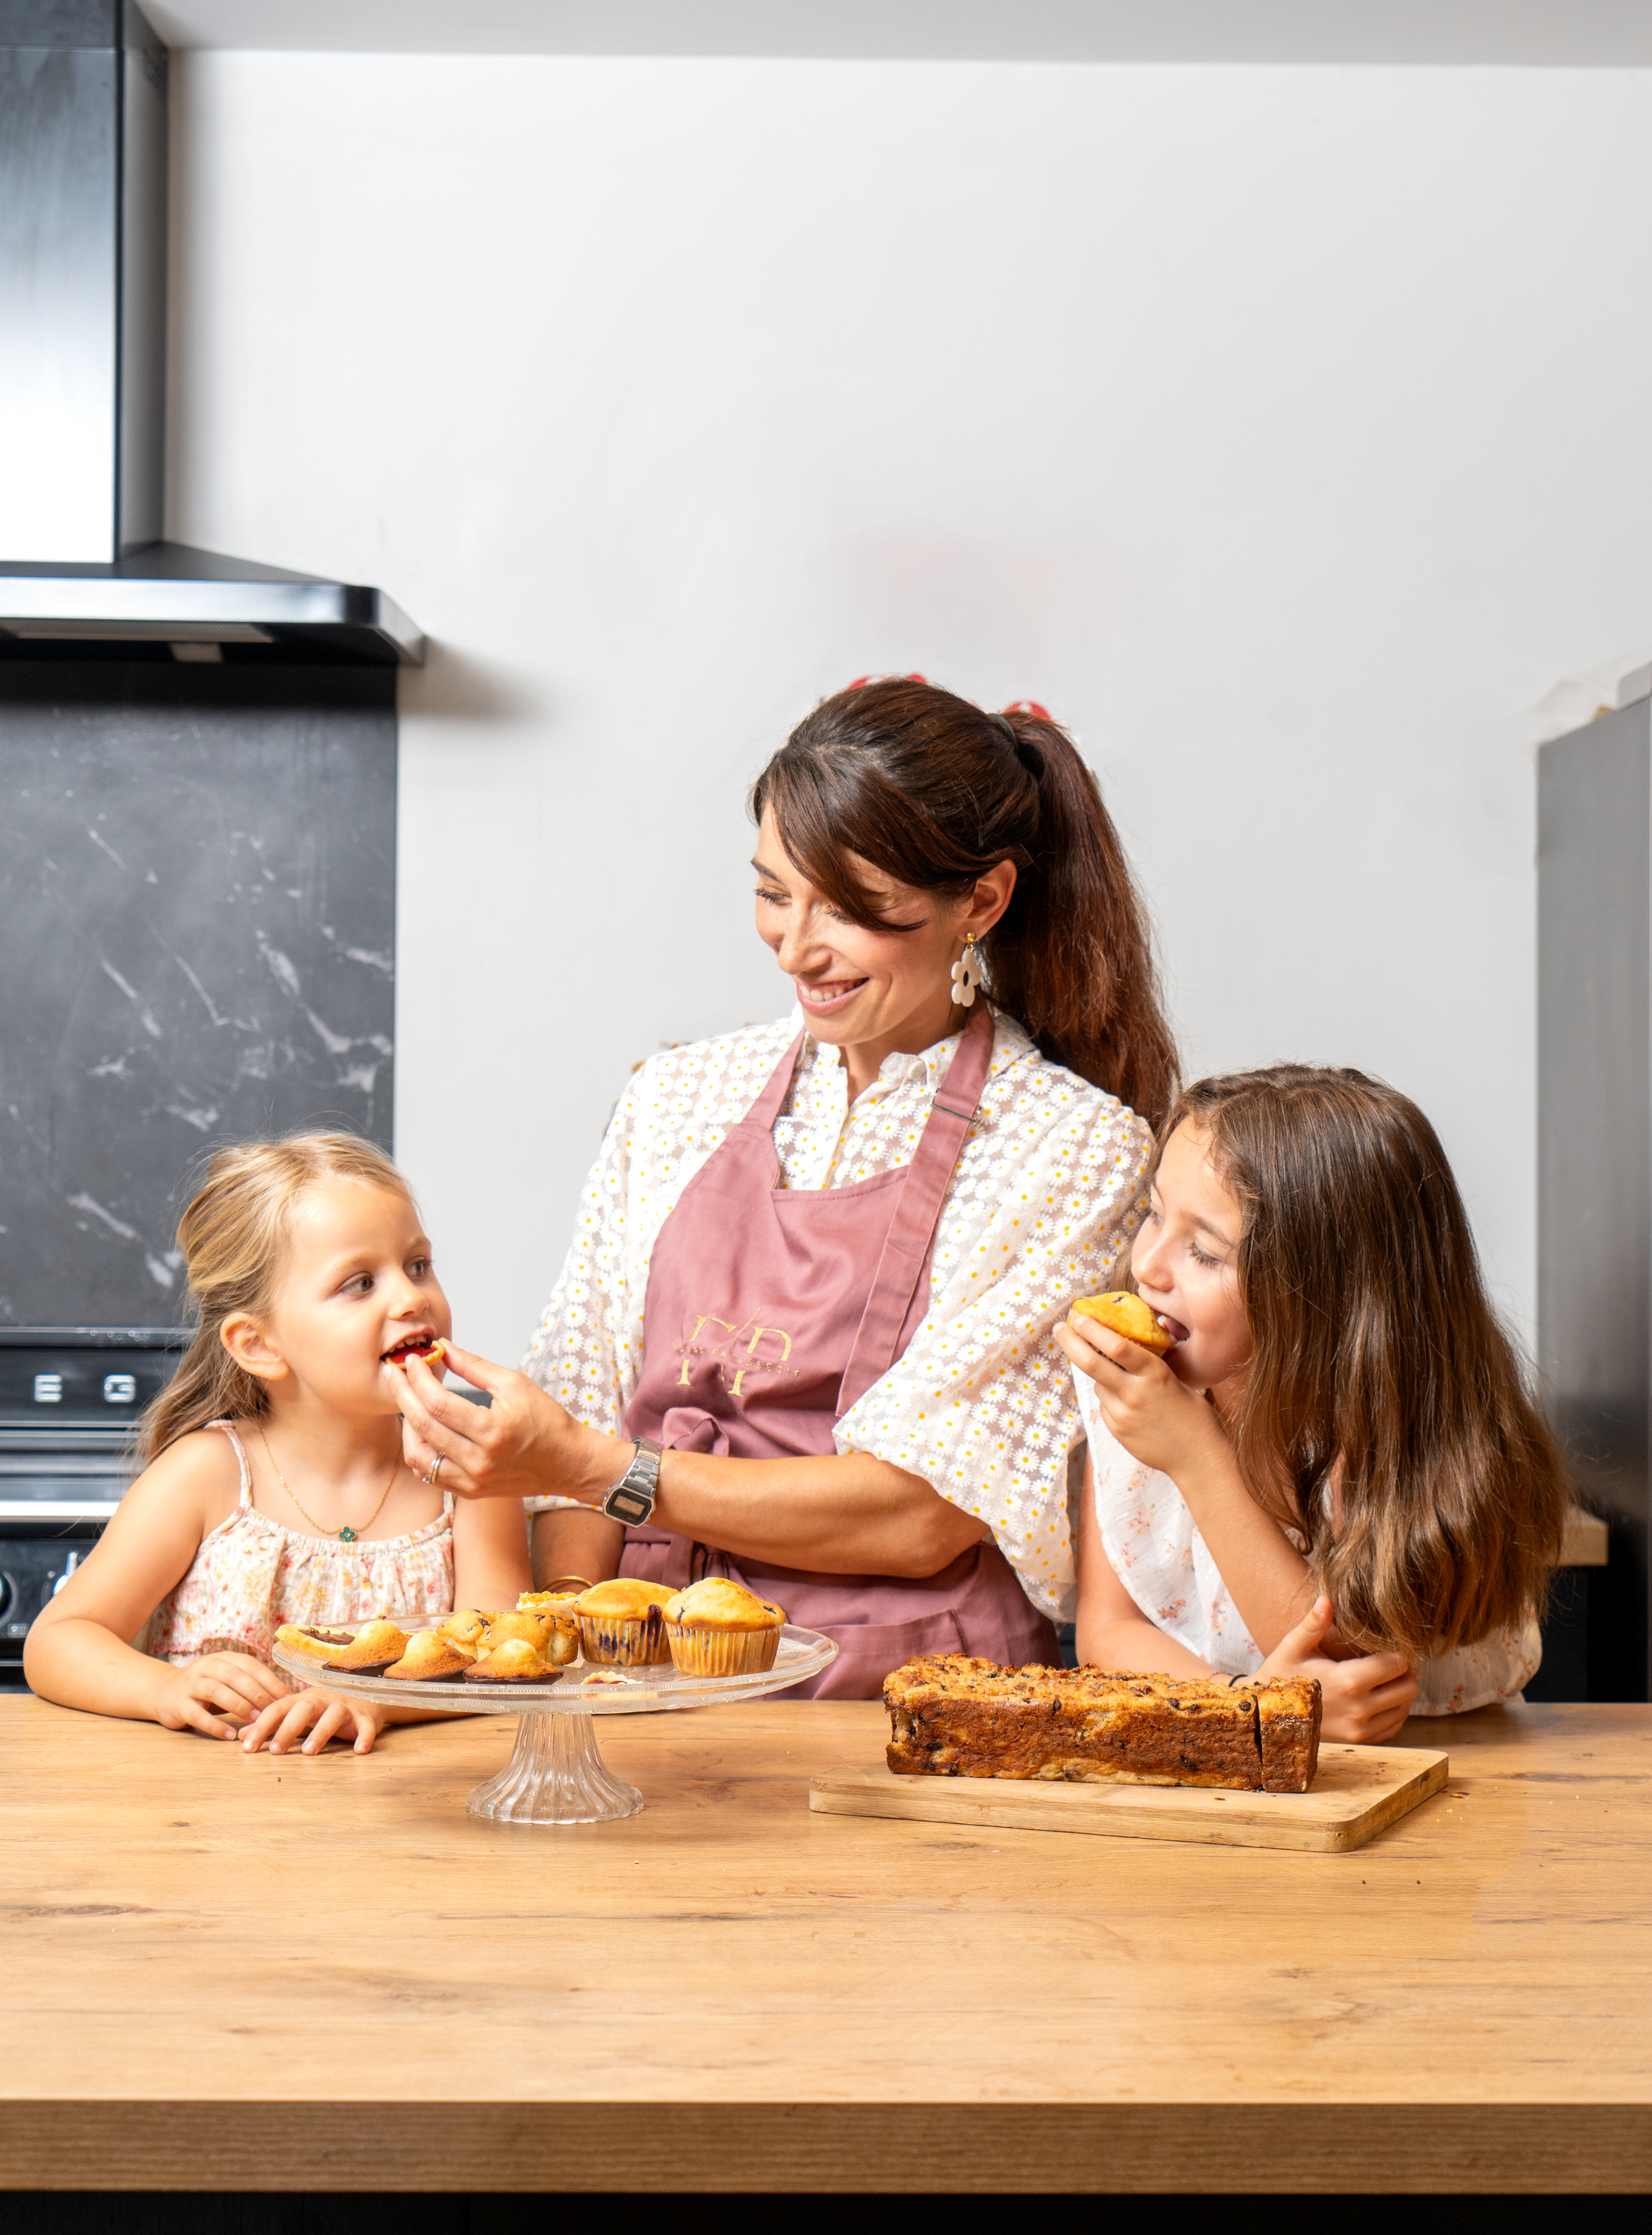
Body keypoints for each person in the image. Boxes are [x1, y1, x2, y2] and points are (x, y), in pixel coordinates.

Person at [385, 678, 1180, 1694]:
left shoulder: (1070, 1149)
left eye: (854, 910)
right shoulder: (676, 1096)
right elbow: (585, 1406)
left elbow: (916, 1513)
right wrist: (575, 1668)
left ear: (981, 901)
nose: (796, 948)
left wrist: (593, 1466)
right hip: (648, 1682)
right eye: (772, 891)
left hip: (903, 1706)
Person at [1058, 1065, 1572, 1741]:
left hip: (1452, 1765)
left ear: (1327, 1300)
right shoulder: (1142, 1394)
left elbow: (1356, 1670)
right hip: (1246, 1751)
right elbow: (1107, 1630)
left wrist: (1196, 1456)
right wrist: (1253, 1709)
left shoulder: (1387, 1429)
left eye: (1205, 1254)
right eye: (1154, 1212)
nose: (1149, 1264)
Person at [25, 1134, 531, 1753]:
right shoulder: (205, 1475)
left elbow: (498, 1655)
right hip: (210, 1825)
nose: (411, 1297)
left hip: (402, 1824)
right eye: (360, 1282)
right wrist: (162, 1687)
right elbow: (59, 1639)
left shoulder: (475, 1473)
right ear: (259, 1344)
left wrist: (371, 1699)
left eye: (418, 1264)